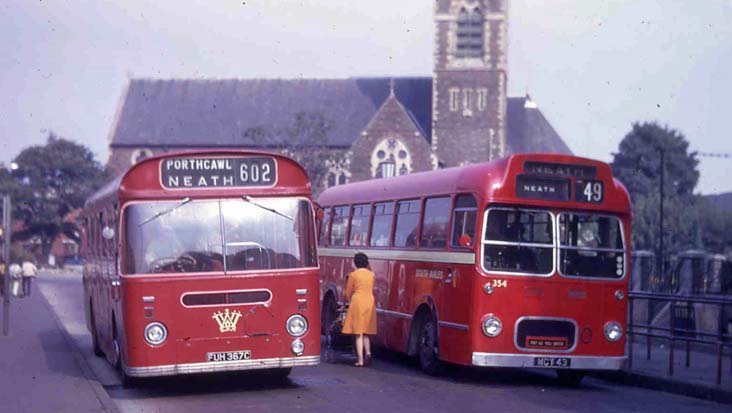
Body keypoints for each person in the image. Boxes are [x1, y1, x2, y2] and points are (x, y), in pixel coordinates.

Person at [341, 252, 377, 367]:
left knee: (358, 333)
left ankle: (360, 360)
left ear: (355, 262)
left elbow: (347, 293)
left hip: (358, 302)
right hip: (370, 302)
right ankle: (368, 353)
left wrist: (344, 304)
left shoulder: (353, 275)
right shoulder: (372, 274)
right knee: (366, 331)